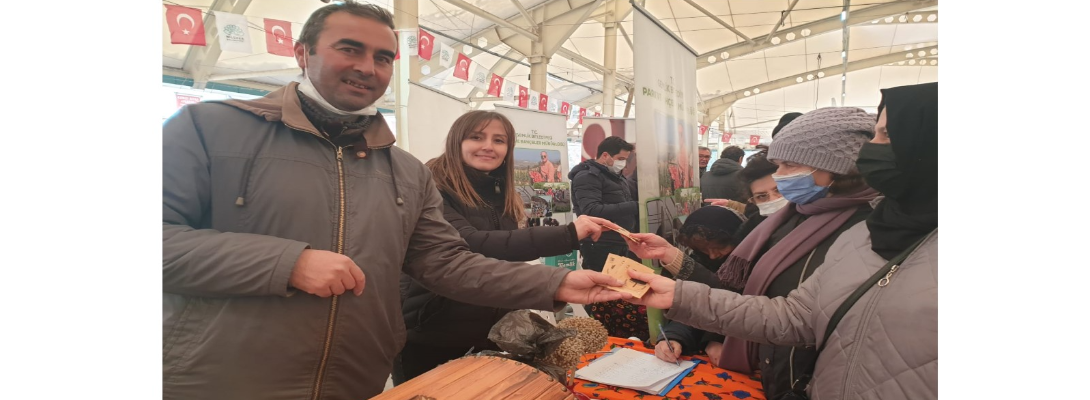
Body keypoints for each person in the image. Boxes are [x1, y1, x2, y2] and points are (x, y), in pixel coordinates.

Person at [161, 3, 630, 399]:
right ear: (302, 53)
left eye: (383, 57)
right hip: (224, 378)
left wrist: (559, 281)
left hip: (356, 380)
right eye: (350, 49)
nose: (368, 67)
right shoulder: (207, 129)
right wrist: (288, 263)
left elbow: (446, 262)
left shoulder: (404, 171)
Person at [624, 84, 938, 400]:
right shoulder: (852, 231)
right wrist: (680, 297)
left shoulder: (862, 226)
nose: (871, 146)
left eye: (885, 135)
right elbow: (790, 315)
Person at [394, 111, 617, 384]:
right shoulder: (433, 188)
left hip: (488, 330)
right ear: (456, 141)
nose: (489, 146)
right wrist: (568, 234)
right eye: (477, 137)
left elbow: (505, 251)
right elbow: (472, 244)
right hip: (430, 333)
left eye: (499, 140)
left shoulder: (500, 190)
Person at [651, 205, 747, 367]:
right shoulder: (699, 261)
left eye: (720, 247)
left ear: (737, 239)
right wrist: (673, 337)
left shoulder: (752, 265)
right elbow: (691, 307)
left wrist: (716, 339)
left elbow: (747, 310)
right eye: (704, 250)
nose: (712, 255)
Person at [569, 136, 637, 272]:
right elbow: (591, 210)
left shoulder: (617, 177)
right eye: (620, 159)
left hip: (619, 241)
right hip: (599, 244)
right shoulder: (587, 177)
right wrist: (634, 206)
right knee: (601, 283)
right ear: (605, 155)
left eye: (625, 159)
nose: (623, 164)